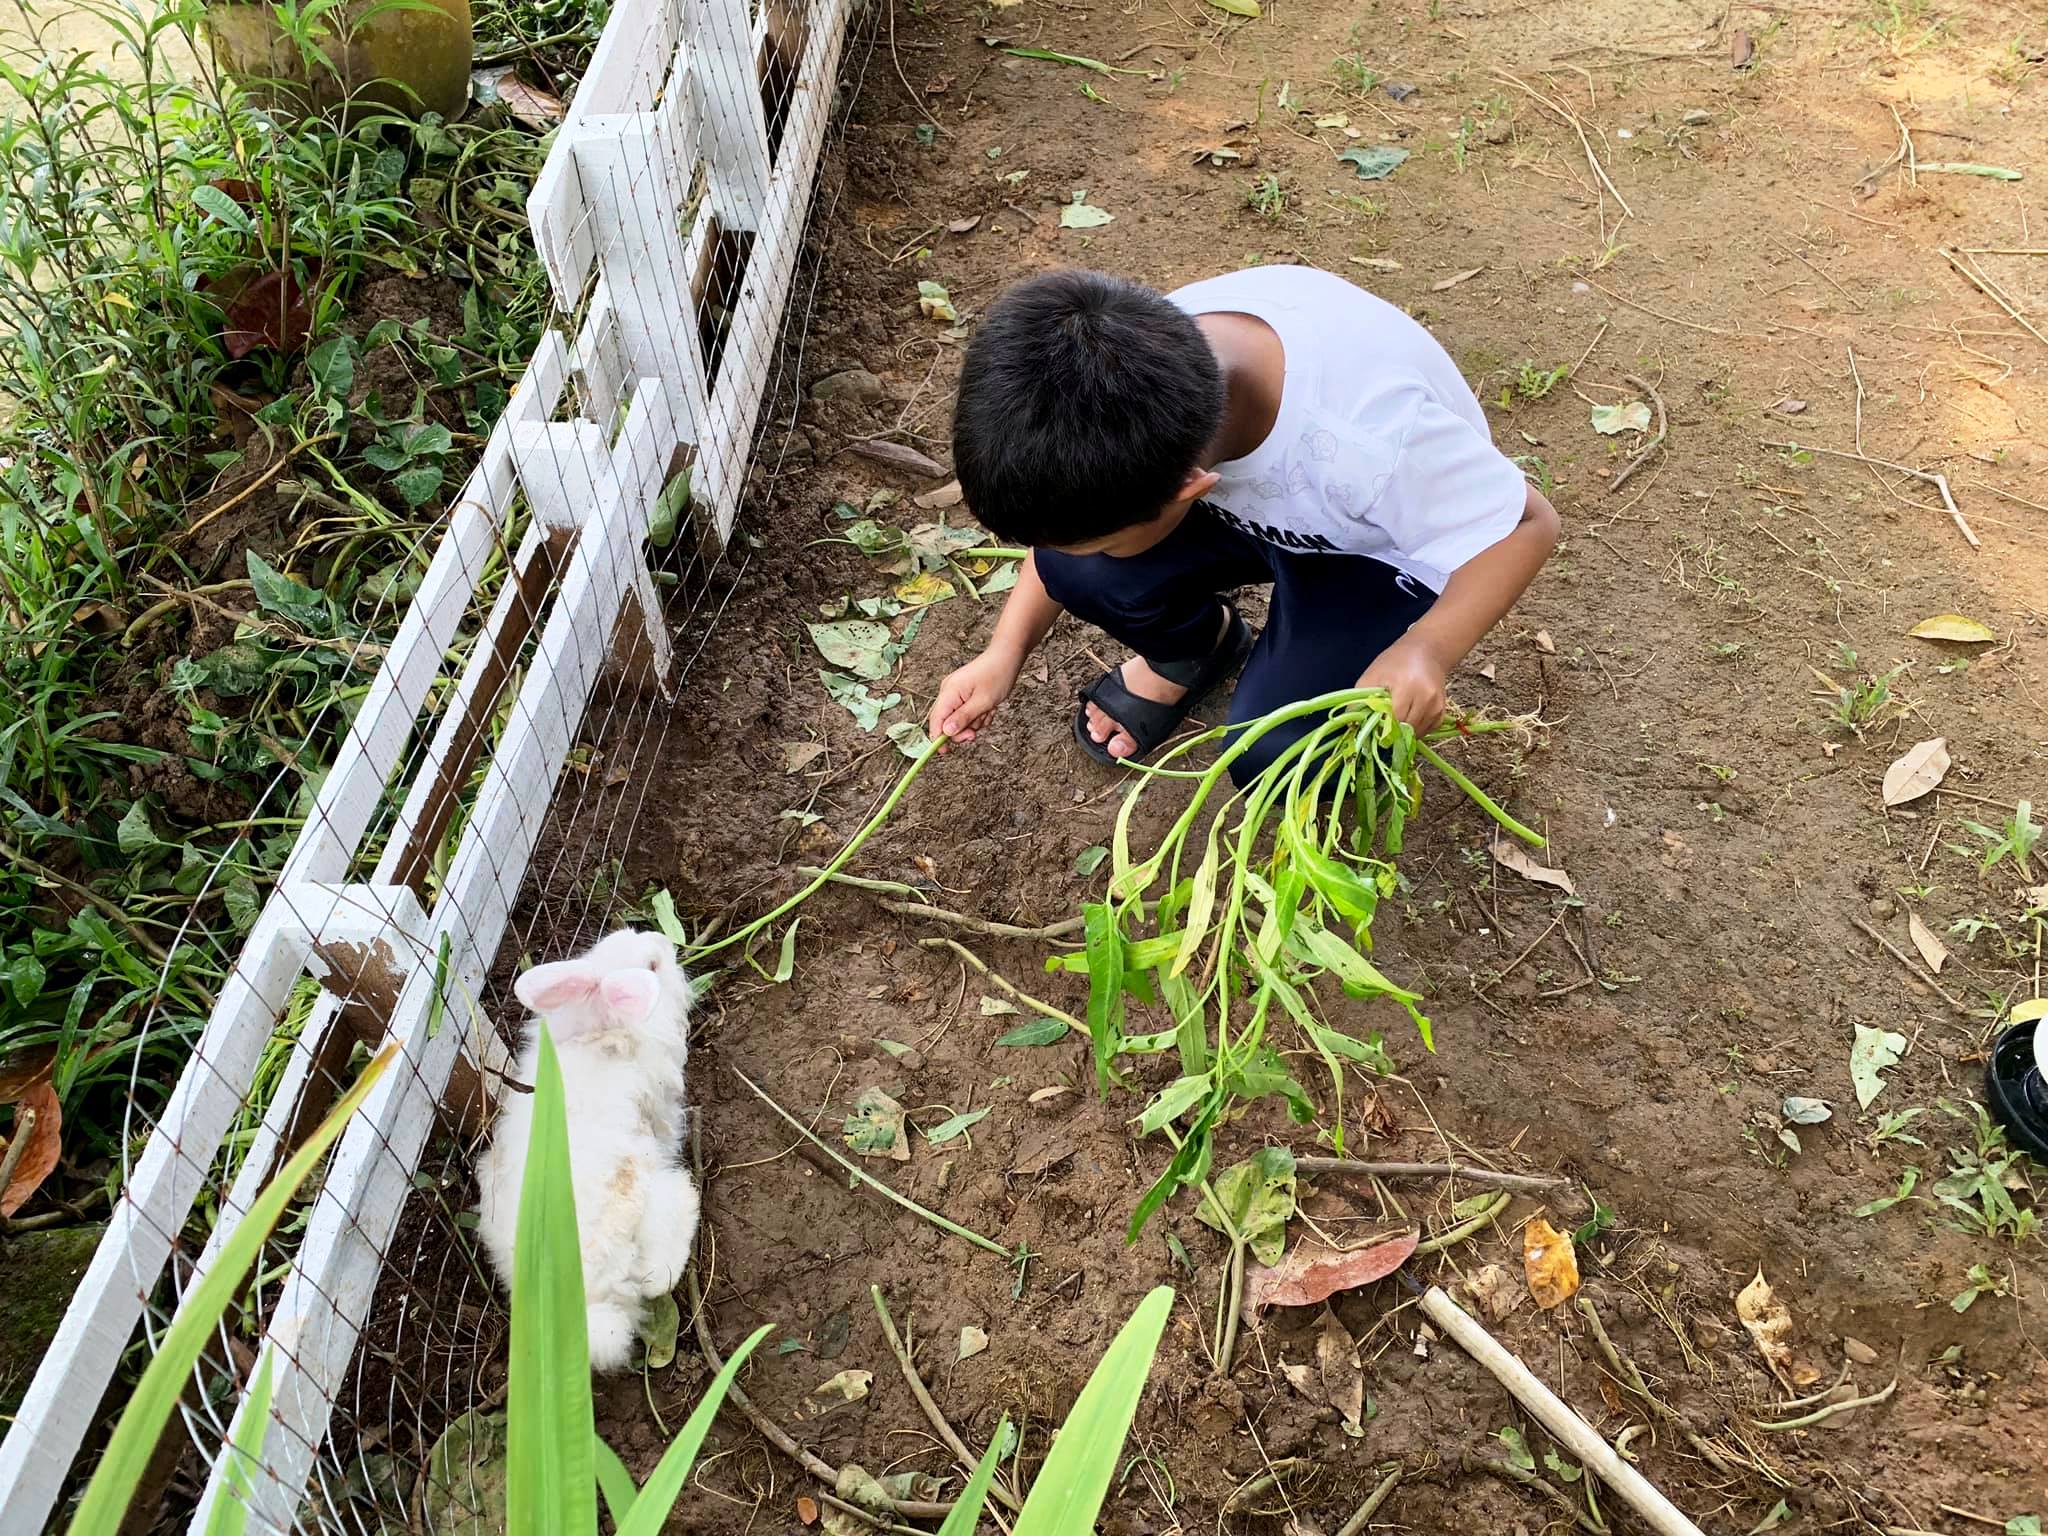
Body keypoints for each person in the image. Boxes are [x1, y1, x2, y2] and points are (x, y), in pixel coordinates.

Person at [925, 265, 1559, 783]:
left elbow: (1528, 523)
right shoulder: (1132, 364)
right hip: (1268, 509)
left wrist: (1426, 651)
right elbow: (1063, 545)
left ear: (1189, 491)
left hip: (1379, 543)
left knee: (1277, 753)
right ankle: (1193, 651)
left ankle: (1343, 680)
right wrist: (1002, 654)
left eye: (1106, 534)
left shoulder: (1373, 443)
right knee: (1076, 566)